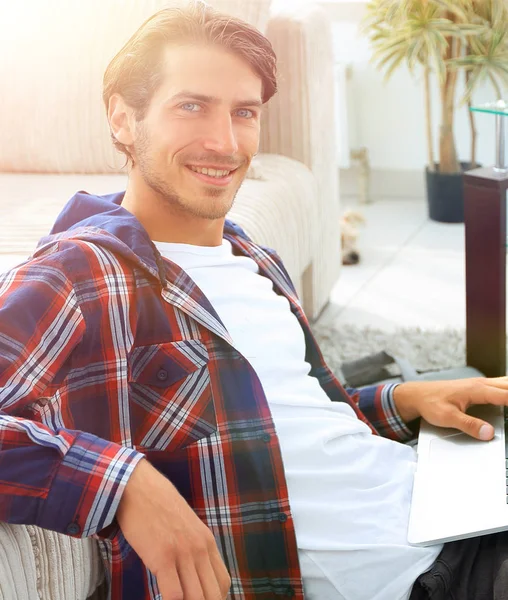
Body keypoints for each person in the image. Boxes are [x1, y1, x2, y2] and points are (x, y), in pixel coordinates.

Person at [1, 3, 508, 600]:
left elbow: (284, 416)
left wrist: (399, 400)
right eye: (191, 106)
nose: (225, 142)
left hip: (443, 508)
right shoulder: (79, 271)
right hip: (424, 577)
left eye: (244, 113)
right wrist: (127, 484)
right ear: (123, 118)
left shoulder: (252, 256)